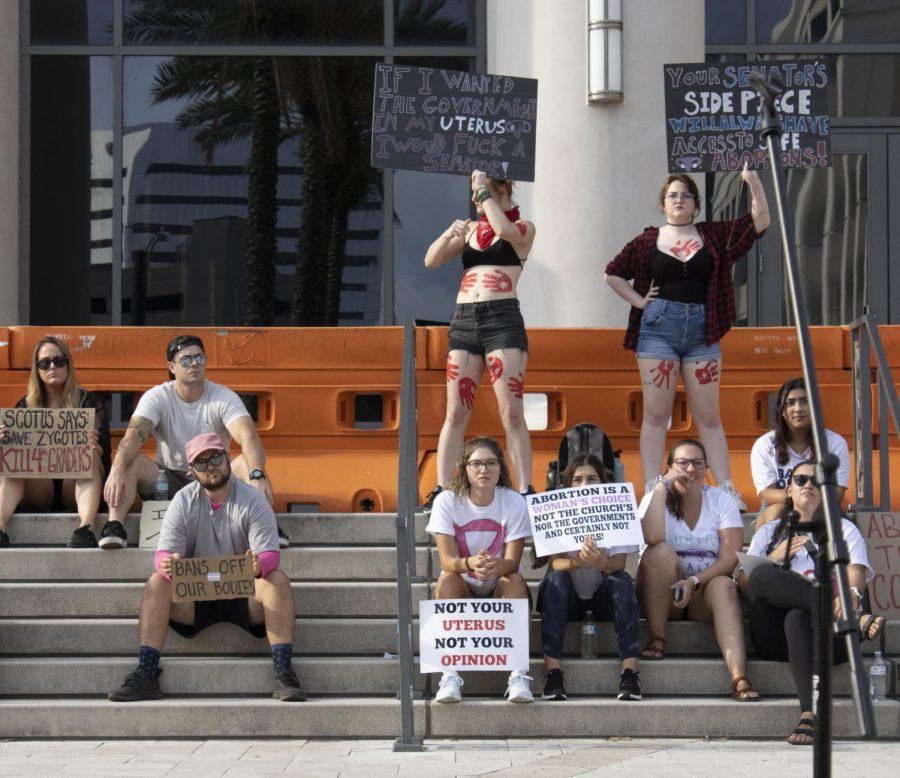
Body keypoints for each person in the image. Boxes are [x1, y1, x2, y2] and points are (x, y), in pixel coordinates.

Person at [604, 166, 770, 508]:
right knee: (655, 413)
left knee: (709, 415)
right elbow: (612, 273)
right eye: (672, 195)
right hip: (658, 328)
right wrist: (639, 302)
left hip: (702, 330)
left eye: (686, 195)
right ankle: (652, 487)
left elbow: (760, 221)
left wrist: (752, 182)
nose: (679, 200)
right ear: (663, 204)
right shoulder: (648, 239)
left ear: (696, 205)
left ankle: (725, 488)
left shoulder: (713, 236)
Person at [108, 433, 305, 702]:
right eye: (200, 463)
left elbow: (271, 555)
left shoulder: (253, 499)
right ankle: (146, 672)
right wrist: (168, 564)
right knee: (156, 581)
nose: (210, 465)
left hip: (244, 594)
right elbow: (164, 553)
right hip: (196, 595)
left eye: (215, 457)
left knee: (277, 579)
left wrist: (260, 563)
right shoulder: (182, 500)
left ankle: (284, 673)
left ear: (227, 457)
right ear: (191, 471)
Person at [100, 334, 287, 549]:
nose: (195, 364)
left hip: (215, 476)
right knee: (129, 463)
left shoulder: (222, 396)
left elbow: (248, 436)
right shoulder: (158, 396)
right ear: (172, 367)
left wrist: (257, 474)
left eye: (200, 358)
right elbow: (133, 436)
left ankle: (268, 524)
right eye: (187, 360)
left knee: (249, 463)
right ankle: (115, 525)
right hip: (170, 478)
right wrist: (117, 468)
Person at [744, 460, 884, 745]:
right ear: (789, 490)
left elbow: (856, 577)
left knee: (797, 616)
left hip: (829, 638)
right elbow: (745, 585)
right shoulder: (768, 533)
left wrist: (853, 595)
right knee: (760, 572)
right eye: (800, 480)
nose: (808, 485)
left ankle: (810, 712)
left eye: (816, 480)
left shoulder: (844, 531)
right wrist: (773, 559)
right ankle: (855, 621)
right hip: (774, 637)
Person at [422, 169, 536, 507]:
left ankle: (526, 490)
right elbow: (431, 260)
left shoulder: (524, 227)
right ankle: (443, 490)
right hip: (465, 319)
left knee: (511, 411)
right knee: (456, 411)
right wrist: (449, 233)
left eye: (481, 191)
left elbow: (504, 230)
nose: (476, 197)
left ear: (501, 188)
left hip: (502, 318)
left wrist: (484, 192)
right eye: (474, 192)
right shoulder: (472, 228)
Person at [637, 439, 759, 701]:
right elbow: (651, 536)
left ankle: (738, 676)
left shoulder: (721, 501)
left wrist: (693, 581)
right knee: (660, 551)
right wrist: (661, 486)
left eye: (697, 463)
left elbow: (729, 559)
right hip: (662, 594)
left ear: (706, 468)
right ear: (669, 467)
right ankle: (658, 637)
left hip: (701, 592)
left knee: (725, 584)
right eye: (682, 462)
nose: (689, 469)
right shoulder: (653, 497)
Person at [426, 436, 534, 704]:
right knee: (448, 580)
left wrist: (496, 566)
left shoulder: (514, 501)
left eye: (490, 463)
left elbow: (513, 561)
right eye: (476, 464)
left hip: (498, 581)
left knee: (515, 580)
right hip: (462, 580)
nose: (483, 469)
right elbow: (447, 561)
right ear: (465, 468)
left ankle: (518, 673)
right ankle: (449, 673)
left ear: (501, 468)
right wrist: (469, 563)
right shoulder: (447, 501)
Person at [535, 454, 641, 701]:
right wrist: (578, 562)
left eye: (592, 478)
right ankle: (553, 673)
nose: (584, 485)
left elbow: (619, 563)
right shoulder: (557, 510)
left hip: (603, 596)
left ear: (602, 482)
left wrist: (597, 561)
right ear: (568, 485)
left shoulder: (614, 508)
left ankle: (629, 671)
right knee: (554, 580)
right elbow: (556, 563)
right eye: (577, 479)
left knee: (623, 580)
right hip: (568, 595)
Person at [0, 336, 109, 548]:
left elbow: (105, 453)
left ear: (68, 365)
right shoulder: (25, 405)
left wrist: (95, 446)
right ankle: (0, 527)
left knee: (91, 457)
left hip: (76, 485)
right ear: (37, 368)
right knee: (13, 461)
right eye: (45, 362)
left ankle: (87, 527)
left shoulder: (89, 402)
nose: (52, 367)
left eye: (59, 361)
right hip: (40, 487)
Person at [750, 377, 849, 531]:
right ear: (782, 410)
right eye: (790, 403)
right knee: (776, 511)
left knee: (841, 523)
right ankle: (771, 554)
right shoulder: (765, 444)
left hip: (822, 506)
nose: (798, 408)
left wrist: (806, 500)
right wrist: (803, 498)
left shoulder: (835, 443)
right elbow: (767, 494)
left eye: (804, 401)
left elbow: (836, 494)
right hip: (778, 507)